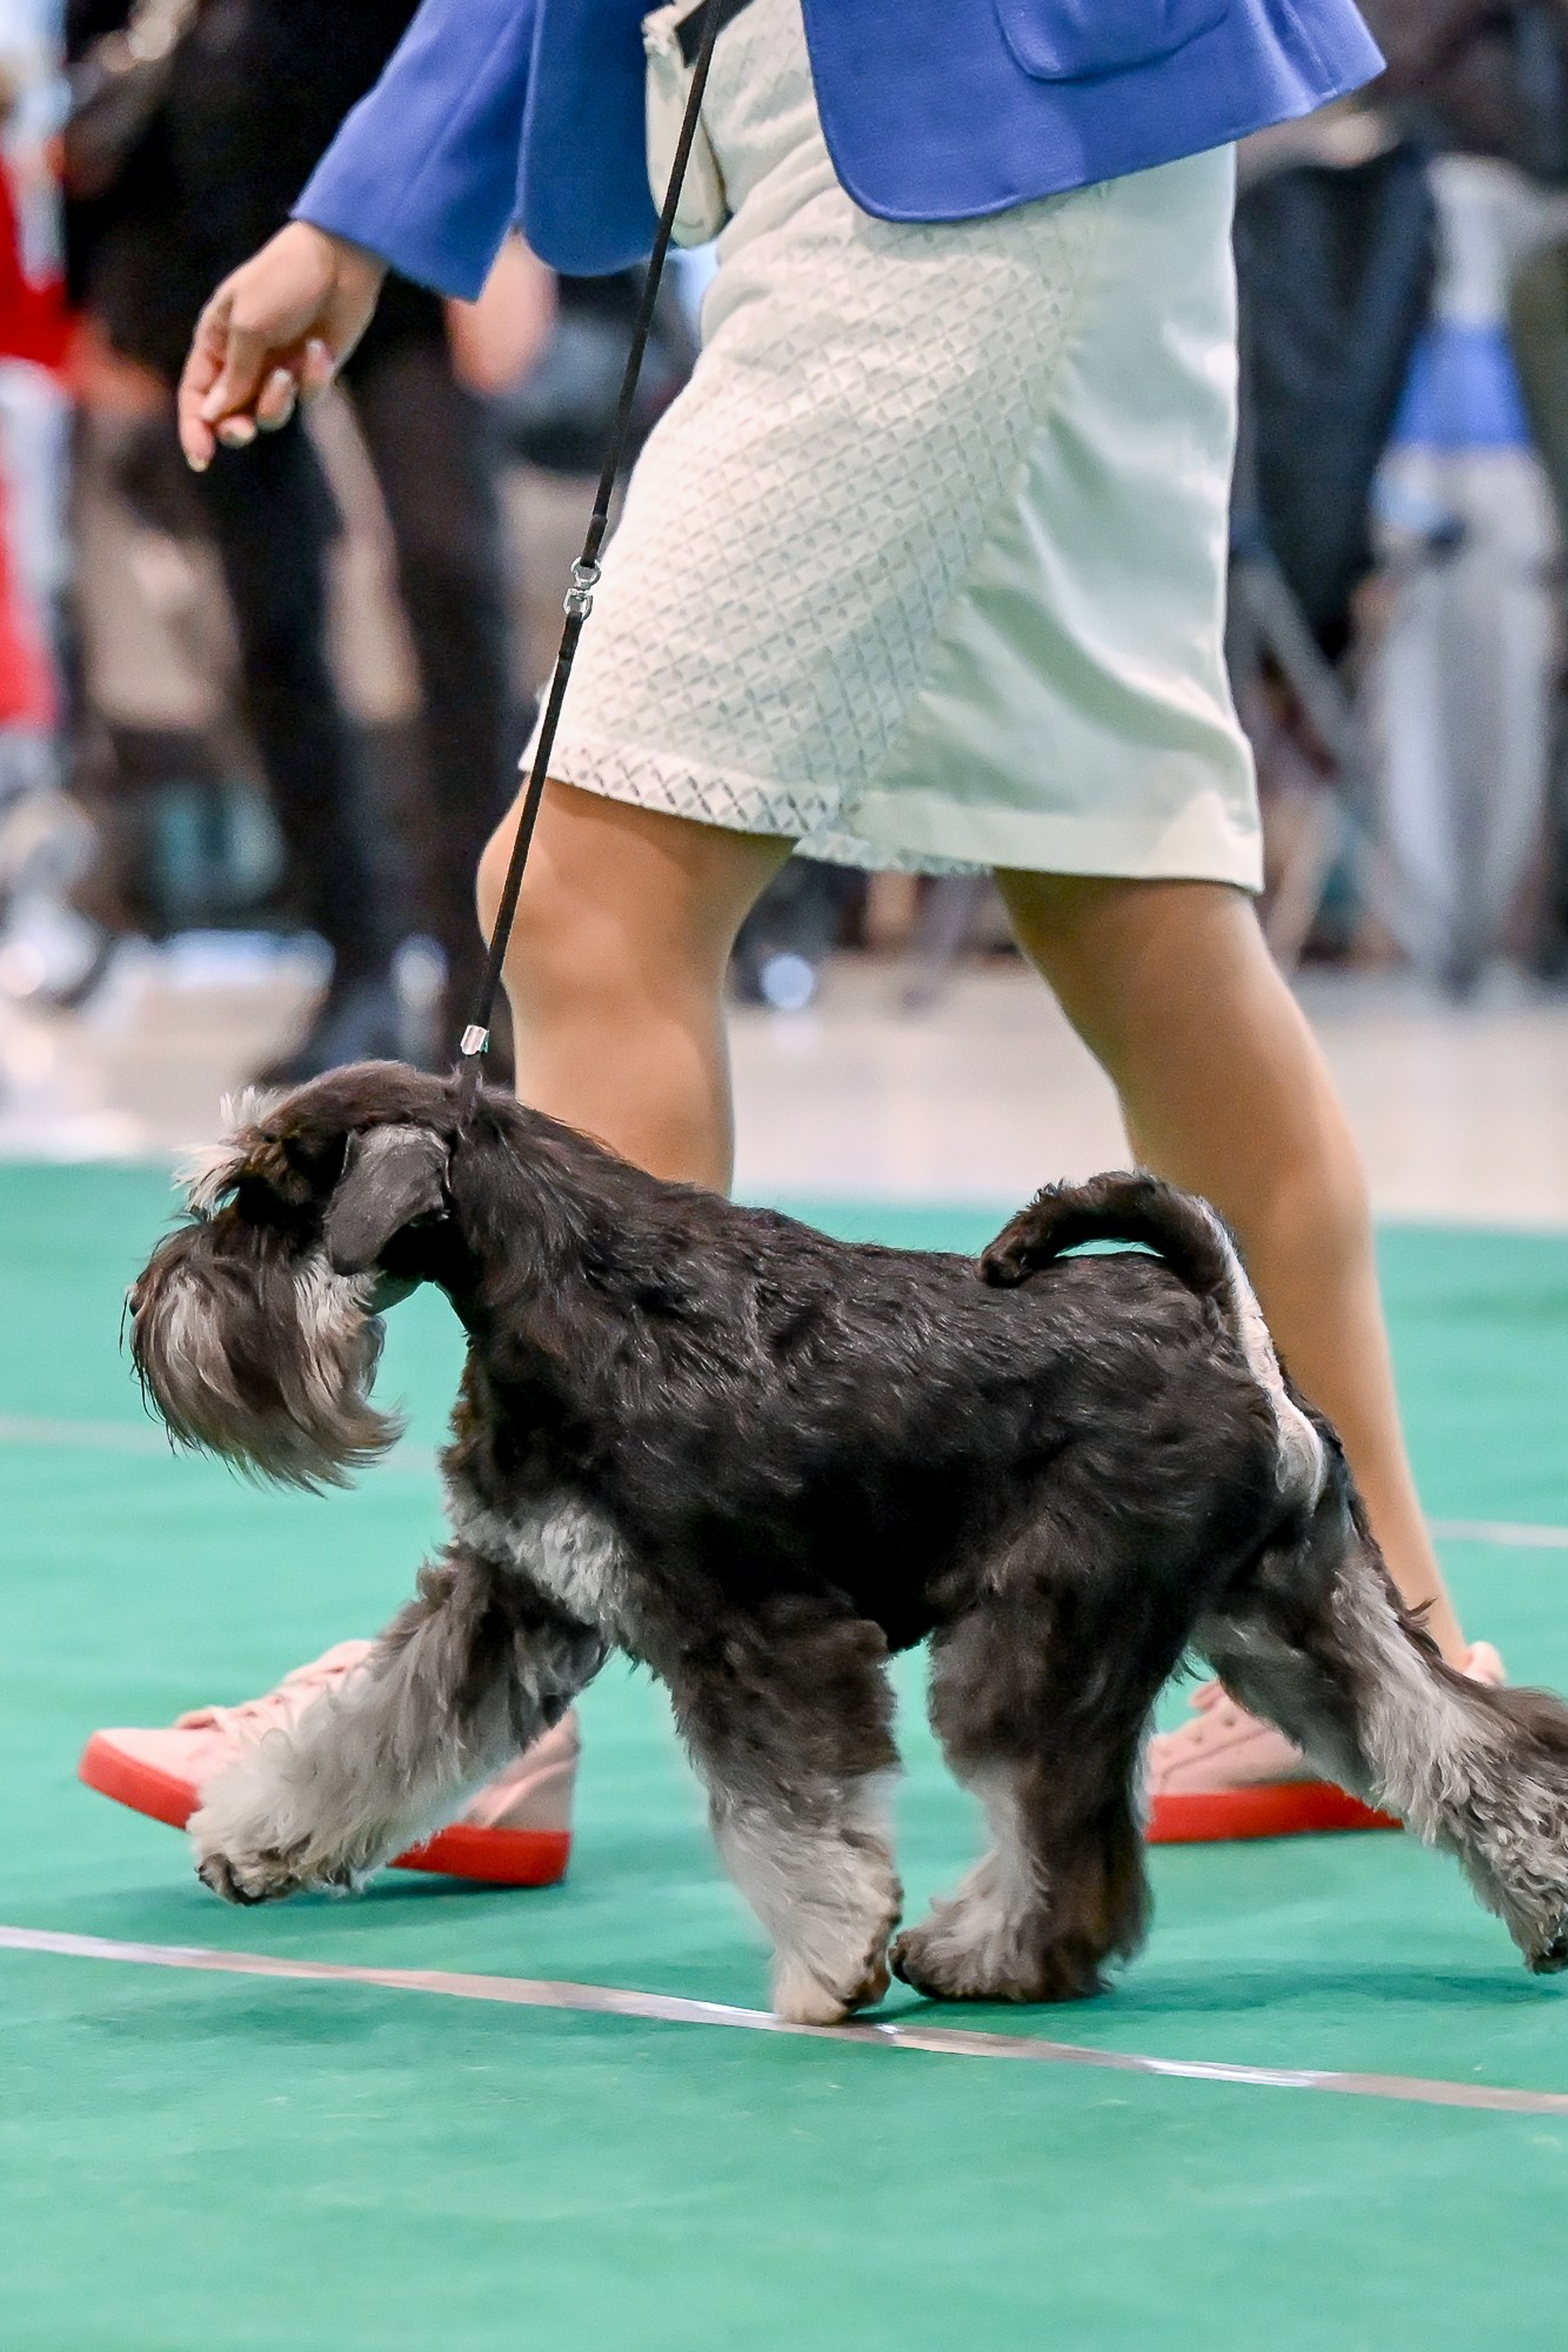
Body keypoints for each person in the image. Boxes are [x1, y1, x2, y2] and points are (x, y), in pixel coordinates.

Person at [83, 0, 1504, 1879]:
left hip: (948, 131)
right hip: (947, 127)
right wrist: (362, 214)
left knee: (583, 887)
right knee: (1128, 901)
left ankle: (509, 1681)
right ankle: (1383, 1667)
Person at [65, 0, 526, 1078]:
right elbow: (92, 37)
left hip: (409, 207)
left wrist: (510, 221)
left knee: (452, 574)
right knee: (270, 614)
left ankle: (479, 986)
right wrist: (106, 284)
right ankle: (355, 964)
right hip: (204, 216)